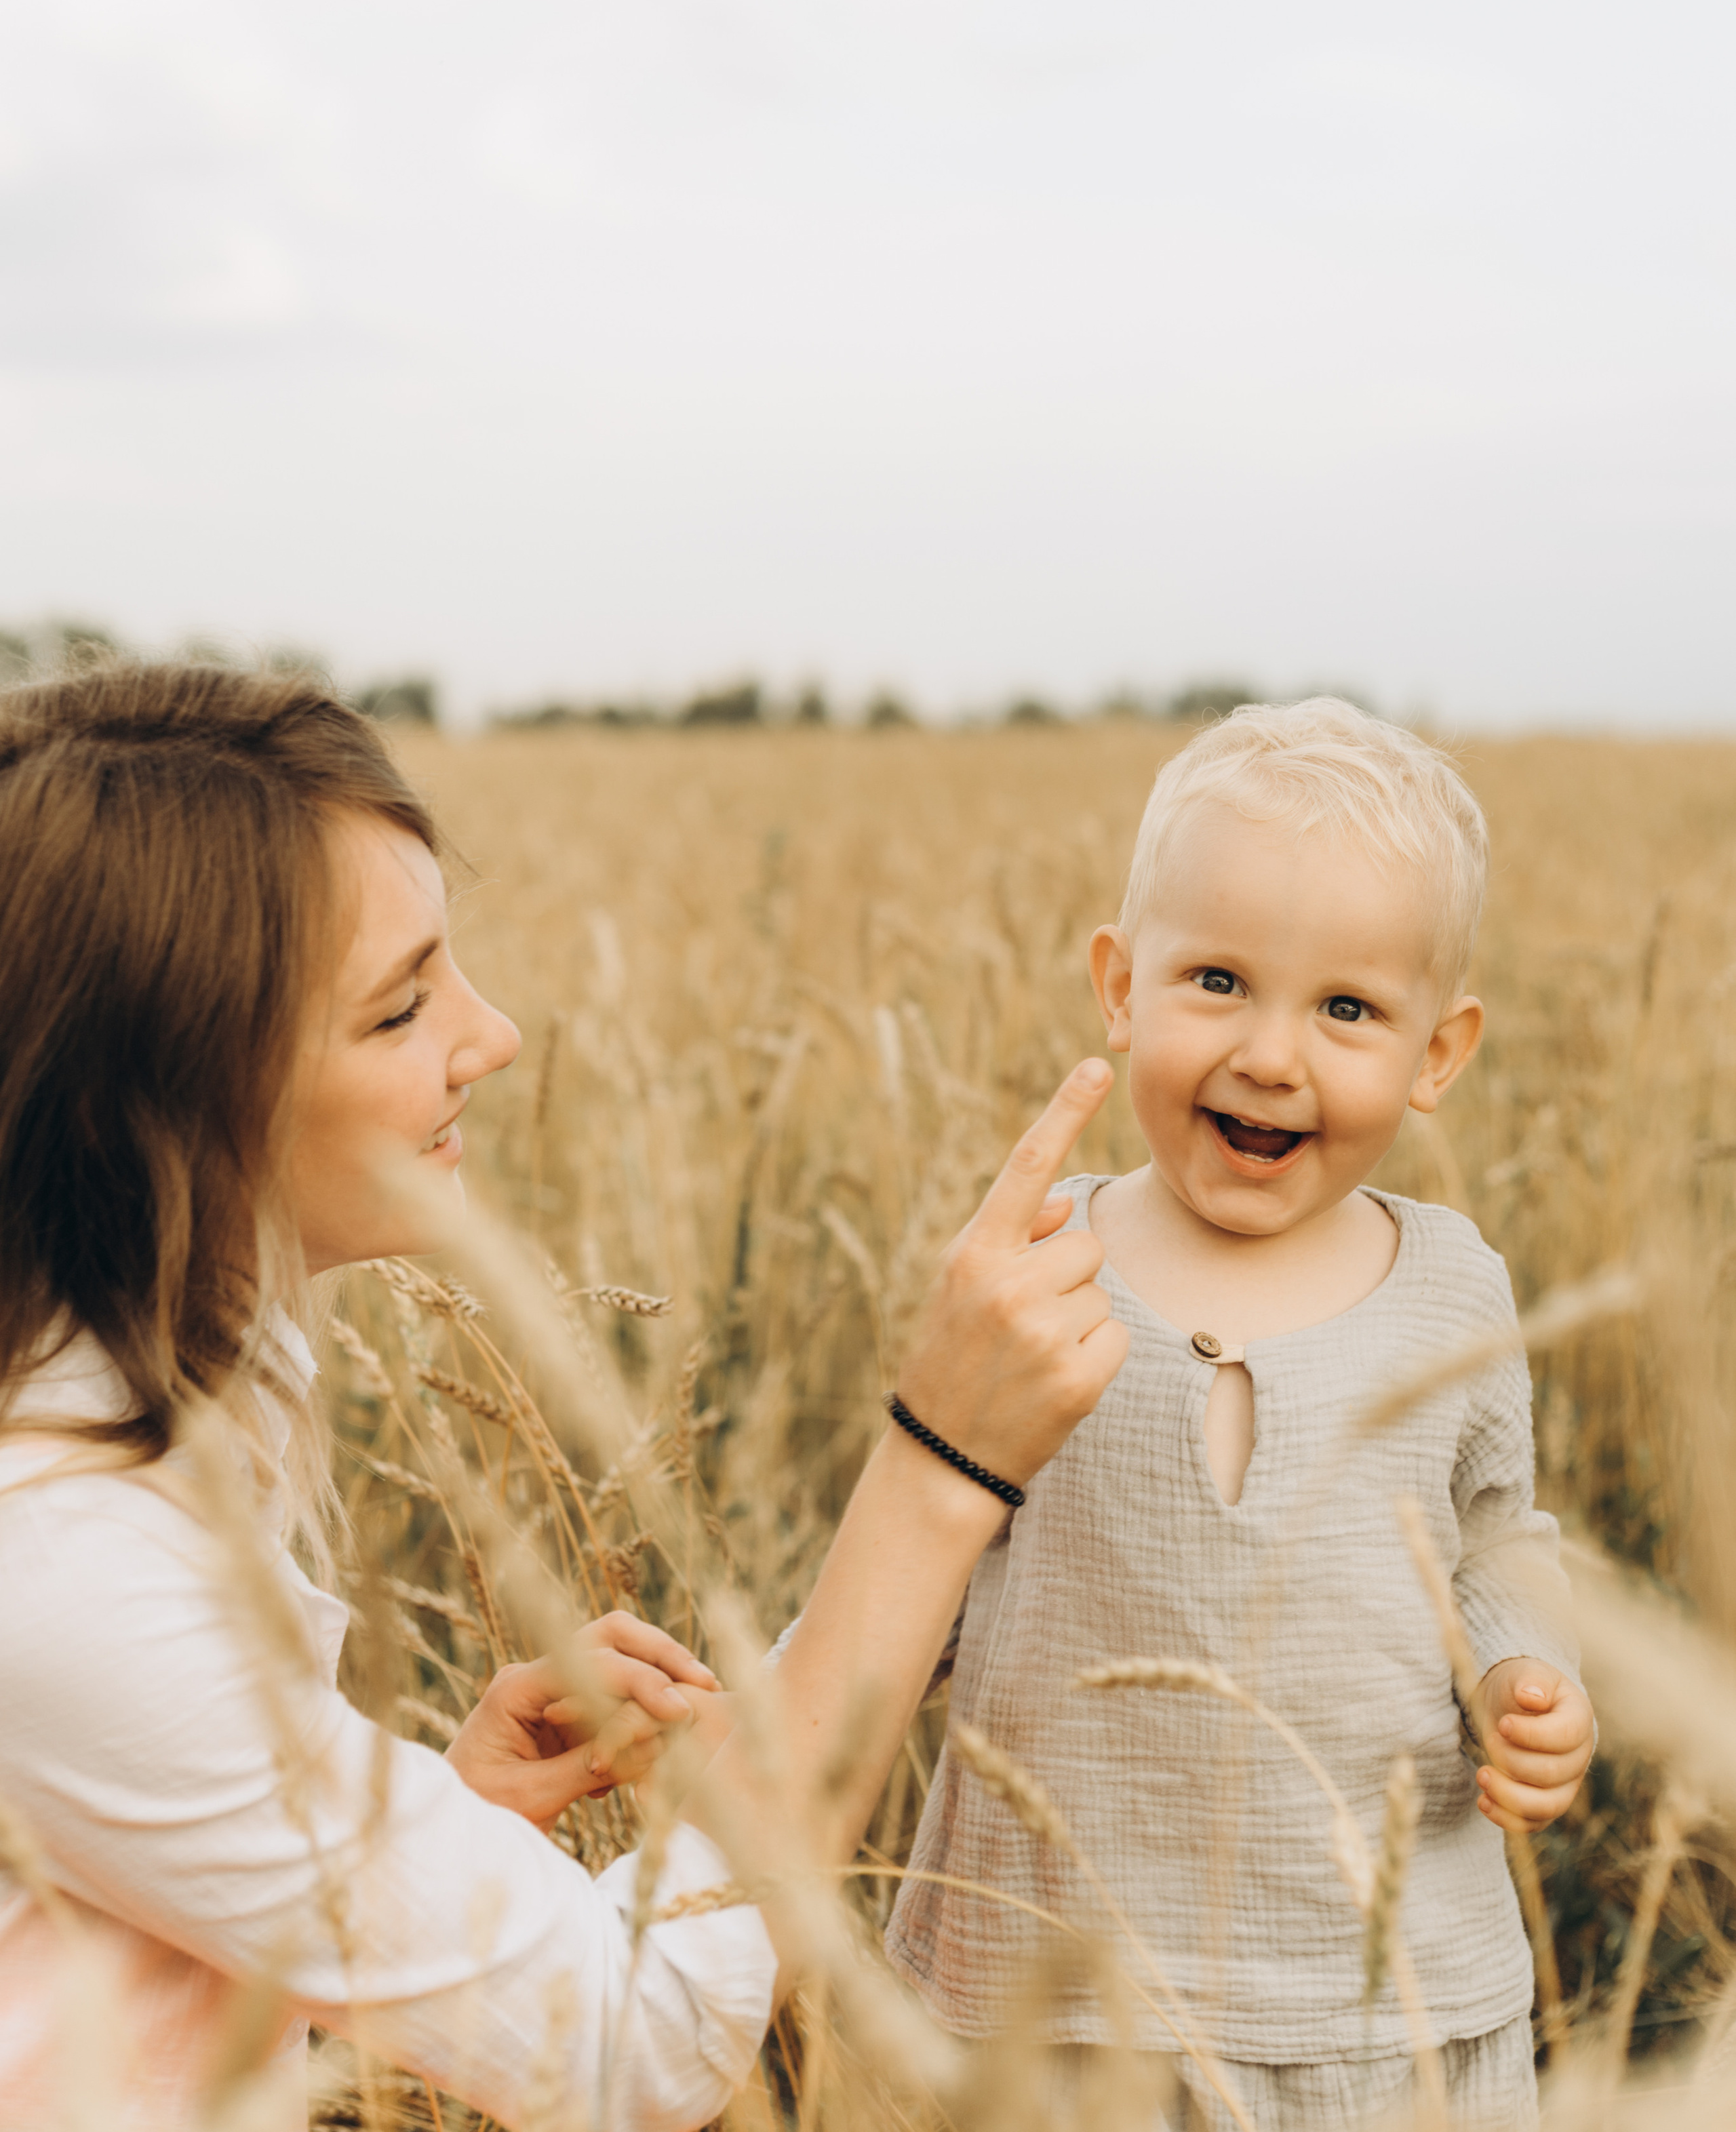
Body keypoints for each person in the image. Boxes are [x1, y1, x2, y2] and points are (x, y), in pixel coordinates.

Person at [0, 658, 1128, 2131]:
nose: (494, 1037)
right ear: (147, 1110)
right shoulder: (64, 1556)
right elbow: (634, 2041)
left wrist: (421, 1828)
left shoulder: (146, 1383)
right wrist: (940, 1465)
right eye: (399, 1012)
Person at [884, 700, 1596, 2131]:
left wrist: (1527, 1676)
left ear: (1437, 1052)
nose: (1273, 1056)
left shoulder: (1452, 1289)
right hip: (1056, 1997)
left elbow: (1491, 1538)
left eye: (1346, 1010)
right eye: (1217, 980)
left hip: (1381, 2010)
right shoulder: (1037, 1262)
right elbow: (912, 1540)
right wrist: (757, 1726)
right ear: (1119, 985)